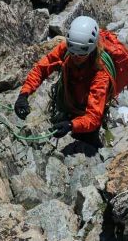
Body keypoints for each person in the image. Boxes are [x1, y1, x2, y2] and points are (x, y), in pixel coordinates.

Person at [13, 16, 113, 146]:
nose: (76, 57)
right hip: (69, 103)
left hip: (86, 113)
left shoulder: (100, 74)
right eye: (73, 52)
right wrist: (23, 94)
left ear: (91, 49)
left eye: (81, 54)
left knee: (87, 141)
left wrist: (72, 125)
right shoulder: (65, 49)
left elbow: (93, 116)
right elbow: (41, 69)